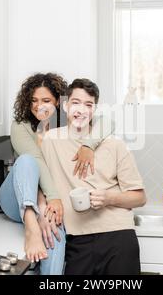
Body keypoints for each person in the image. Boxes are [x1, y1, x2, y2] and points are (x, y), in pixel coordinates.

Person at [0, 73, 112, 275]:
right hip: (16, 198)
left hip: (49, 199)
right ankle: (31, 226)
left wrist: (88, 145)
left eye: (46, 100)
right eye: (33, 100)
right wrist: (50, 200)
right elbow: (38, 163)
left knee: (55, 229)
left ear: (58, 101)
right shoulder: (21, 126)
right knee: (26, 161)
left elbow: (107, 122)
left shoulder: (66, 124)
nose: (38, 106)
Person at [41, 79, 147, 275]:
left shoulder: (114, 145)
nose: (81, 110)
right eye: (76, 102)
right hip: (77, 239)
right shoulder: (51, 141)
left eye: (88, 105)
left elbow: (140, 197)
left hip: (118, 236)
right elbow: (42, 182)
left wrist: (109, 198)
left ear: (94, 110)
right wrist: (43, 213)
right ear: (65, 105)